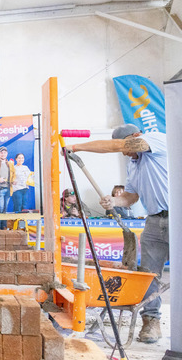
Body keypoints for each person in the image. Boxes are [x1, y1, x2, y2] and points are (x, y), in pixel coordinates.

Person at [71, 124, 168, 343]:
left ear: (136, 136)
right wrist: (114, 201)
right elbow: (131, 197)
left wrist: (76, 147)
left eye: (125, 147)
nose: (124, 153)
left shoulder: (156, 140)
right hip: (153, 220)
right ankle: (151, 320)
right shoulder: (134, 164)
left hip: (180, 219)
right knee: (148, 274)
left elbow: (120, 146)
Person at [0, 146, 15, 229]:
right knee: (0, 208)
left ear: (7, 154)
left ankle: (4, 227)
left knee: (5, 209)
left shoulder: (10, 164)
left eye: (4, 152)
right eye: (1, 152)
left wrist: (14, 180)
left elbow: (13, 174)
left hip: (8, 189)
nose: (3, 154)